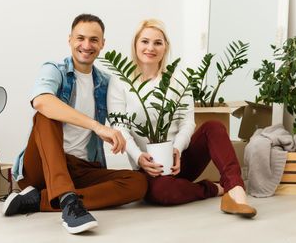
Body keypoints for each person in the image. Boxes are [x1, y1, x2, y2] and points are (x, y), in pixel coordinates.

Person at [3, 14, 148, 234]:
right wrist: (96, 126)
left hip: (81, 169)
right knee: (45, 115)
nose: (86, 45)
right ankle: (69, 202)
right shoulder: (55, 69)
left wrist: (142, 155)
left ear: (102, 44)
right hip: (41, 167)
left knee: (138, 183)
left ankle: (39, 200)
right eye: (80, 38)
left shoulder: (105, 83)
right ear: (70, 39)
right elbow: (41, 101)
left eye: (93, 40)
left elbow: (124, 122)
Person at [107, 19, 257, 218]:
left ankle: (235, 191)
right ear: (135, 44)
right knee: (162, 193)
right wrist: (138, 157)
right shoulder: (120, 80)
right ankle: (213, 189)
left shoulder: (178, 79)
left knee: (213, 126)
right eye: (145, 41)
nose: (150, 48)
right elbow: (119, 126)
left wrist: (177, 149)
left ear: (165, 47)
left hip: (180, 160)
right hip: (148, 167)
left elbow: (187, 122)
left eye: (157, 43)